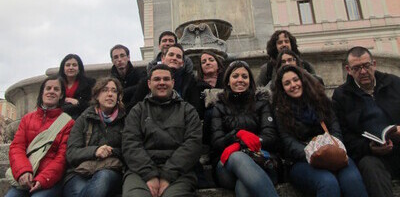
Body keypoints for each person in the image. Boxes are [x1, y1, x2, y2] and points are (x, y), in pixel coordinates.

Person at [273, 65, 367, 197]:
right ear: (282, 89)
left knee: (352, 180)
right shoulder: (280, 112)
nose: (293, 85)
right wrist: (314, 154)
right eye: (287, 83)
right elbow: (289, 142)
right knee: (327, 182)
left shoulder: (322, 102)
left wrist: (331, 150)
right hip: (302, 161)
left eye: (295, 80)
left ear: (303, 80)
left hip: (333, 153)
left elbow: (335, 128)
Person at [122, 64, 202, 197]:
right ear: (149, 83)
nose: (162, 83)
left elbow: (193, 144)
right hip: (140, 171)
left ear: (173, 82)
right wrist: (149, 174)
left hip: (179, 172)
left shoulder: (188, 110)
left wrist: (168, 175)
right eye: (157, 79)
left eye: (166, 79)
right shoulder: (138, 110)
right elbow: (130, 143)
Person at [332, 46, 400, 197]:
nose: (363, 72)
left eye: (366, 66)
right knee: (370, 167)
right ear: (348, 70)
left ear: (374, 64)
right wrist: (369, 147)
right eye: (356, 68)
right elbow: (344, 136)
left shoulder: (394, 83)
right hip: (371, 154)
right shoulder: (341, 96)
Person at [211, 60, 279, 197]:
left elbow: (271, 137)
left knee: (243, 188)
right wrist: (238, 135)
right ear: (228, 81)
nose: (240, 80)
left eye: (244, 76)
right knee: (236, 157)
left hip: (262, 162)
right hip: (227, 168)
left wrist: (242, 143)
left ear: (250, 81)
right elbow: (216, 142)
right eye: (235, 76)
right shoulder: (219, 107)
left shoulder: (262, 104)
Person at [6, 76, 74, 197]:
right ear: (42, 92)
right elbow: (17, 147)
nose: (51, 91)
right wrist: (23, 171)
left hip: (50, 180)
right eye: (48, 88)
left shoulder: (68, 123)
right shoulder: (27, 119)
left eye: (56, 89)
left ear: (62, 95)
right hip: (25, 175)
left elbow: (62, 157)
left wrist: (43, 179)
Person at [63, 77, 126, 197]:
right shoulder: (84, 118)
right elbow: (71, 153)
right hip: (80, 172)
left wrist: (111, 151)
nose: (110, 94)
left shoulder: (124, 120)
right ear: (97, 95)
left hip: (110, 170)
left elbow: (129, 150)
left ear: (119, 97)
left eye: (114, 91)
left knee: (103, 178)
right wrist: (95, 151)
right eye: (105, 90)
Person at [132, 44, 199, 111]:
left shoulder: (189, 81)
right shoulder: (147, 81)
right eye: (171, 55)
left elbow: (195, 108)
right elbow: (134, 106)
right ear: (163, 59)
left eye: (178, 57)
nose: (174, 58)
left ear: (182, 63)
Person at [58, 53, 95, 119]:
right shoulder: (57, 83)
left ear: (79, 68)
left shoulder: (89, 83)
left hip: (81, 118)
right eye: (68, 65)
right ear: (63, 68)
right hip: (59, 118)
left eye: (74, 65)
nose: (71, 68)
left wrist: (78, 102)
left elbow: (93, 104)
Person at [110, 44, 146, 111]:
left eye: (122, 56)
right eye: (116, 57)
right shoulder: (110, 80)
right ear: (112, 61)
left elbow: (142, 89)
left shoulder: (140, 74)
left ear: (128, 57)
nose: (119, 59)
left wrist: (122, 93)